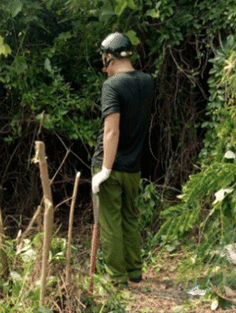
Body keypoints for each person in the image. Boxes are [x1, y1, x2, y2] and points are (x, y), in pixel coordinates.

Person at [91, 32, 154, 287]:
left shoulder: (112, 85)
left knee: (110, 223)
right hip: (133, 166)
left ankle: (116, 279)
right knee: (129, 217)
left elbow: (112, 130)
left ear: (110, 56)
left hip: (111, 164)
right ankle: (134, 272)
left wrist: (104, 170)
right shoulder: (147, 81)